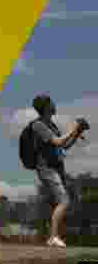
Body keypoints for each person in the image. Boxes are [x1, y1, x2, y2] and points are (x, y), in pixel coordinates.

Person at [30, 94, 86, 247]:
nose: (55, 105)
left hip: (56, 167)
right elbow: (58, 141)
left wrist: (77, 132)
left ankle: (53, 236)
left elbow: (64, 145)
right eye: (51, 103)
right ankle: (53, 237)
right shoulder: (38, 125)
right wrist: (74, 127)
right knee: (64, 201)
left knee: (58, 203)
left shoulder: (51, 125)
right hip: (47, 168)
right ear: (46, 106)